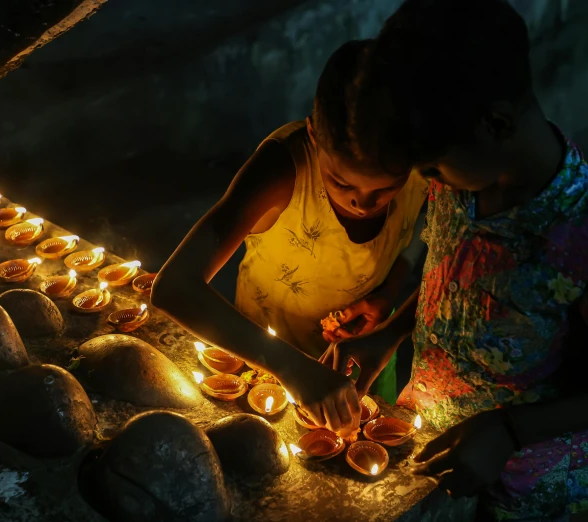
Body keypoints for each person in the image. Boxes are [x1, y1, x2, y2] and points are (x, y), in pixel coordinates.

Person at [321, 0, 588, 520]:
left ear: (497, 123)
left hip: (528, 487)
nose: (427, 179)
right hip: (433, 448)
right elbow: (470, 281)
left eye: (432, 165)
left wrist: (508, 431)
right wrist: (393, 331)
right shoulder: (465, 183)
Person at [152, 40, 429, 434]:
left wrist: (390, 292)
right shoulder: (283, 171)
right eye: (340, 181)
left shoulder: (419, 164)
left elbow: (424, 224)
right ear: (314, 135)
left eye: (386, 190)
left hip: (366, 353)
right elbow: (174, 287)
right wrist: (290, 366)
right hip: (259, 356)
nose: (362, 202)